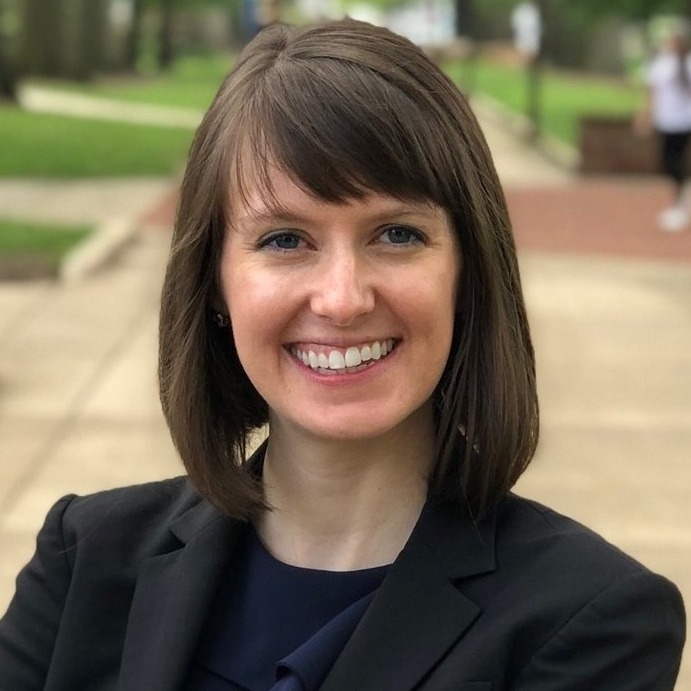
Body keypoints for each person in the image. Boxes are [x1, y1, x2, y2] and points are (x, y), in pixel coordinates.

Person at [0, 18, 685, 690]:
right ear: (214, 283)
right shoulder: (83, 556)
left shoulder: (592, 621)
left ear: (466, 271)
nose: (341, 298)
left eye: (394, 233)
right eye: (283, 240)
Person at [636, 23, 691, 232]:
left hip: (684, 121)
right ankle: (680, 197)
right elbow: (651, 92)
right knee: (668, 160)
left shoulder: (687, 63)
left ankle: (680, 201)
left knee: (675, 159)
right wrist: (644, 115)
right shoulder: (660, 64)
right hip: (666, 120)